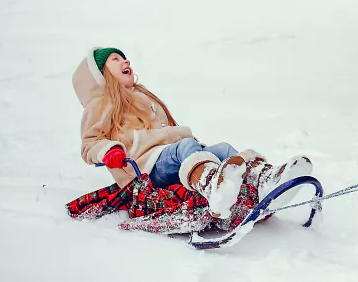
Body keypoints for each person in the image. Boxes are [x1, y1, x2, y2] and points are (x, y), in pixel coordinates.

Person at [73, 47, 310, 217]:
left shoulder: (143, 96)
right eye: (116, 59)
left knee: (223, 149)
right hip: (144, 167)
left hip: (168, 156)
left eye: (125, 58)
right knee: (185, 147)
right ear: (101, 74)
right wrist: (109, 150)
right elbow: (90, 143)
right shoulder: (102, 102)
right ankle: (213, 189)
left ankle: (266, 181)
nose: (126, 62)